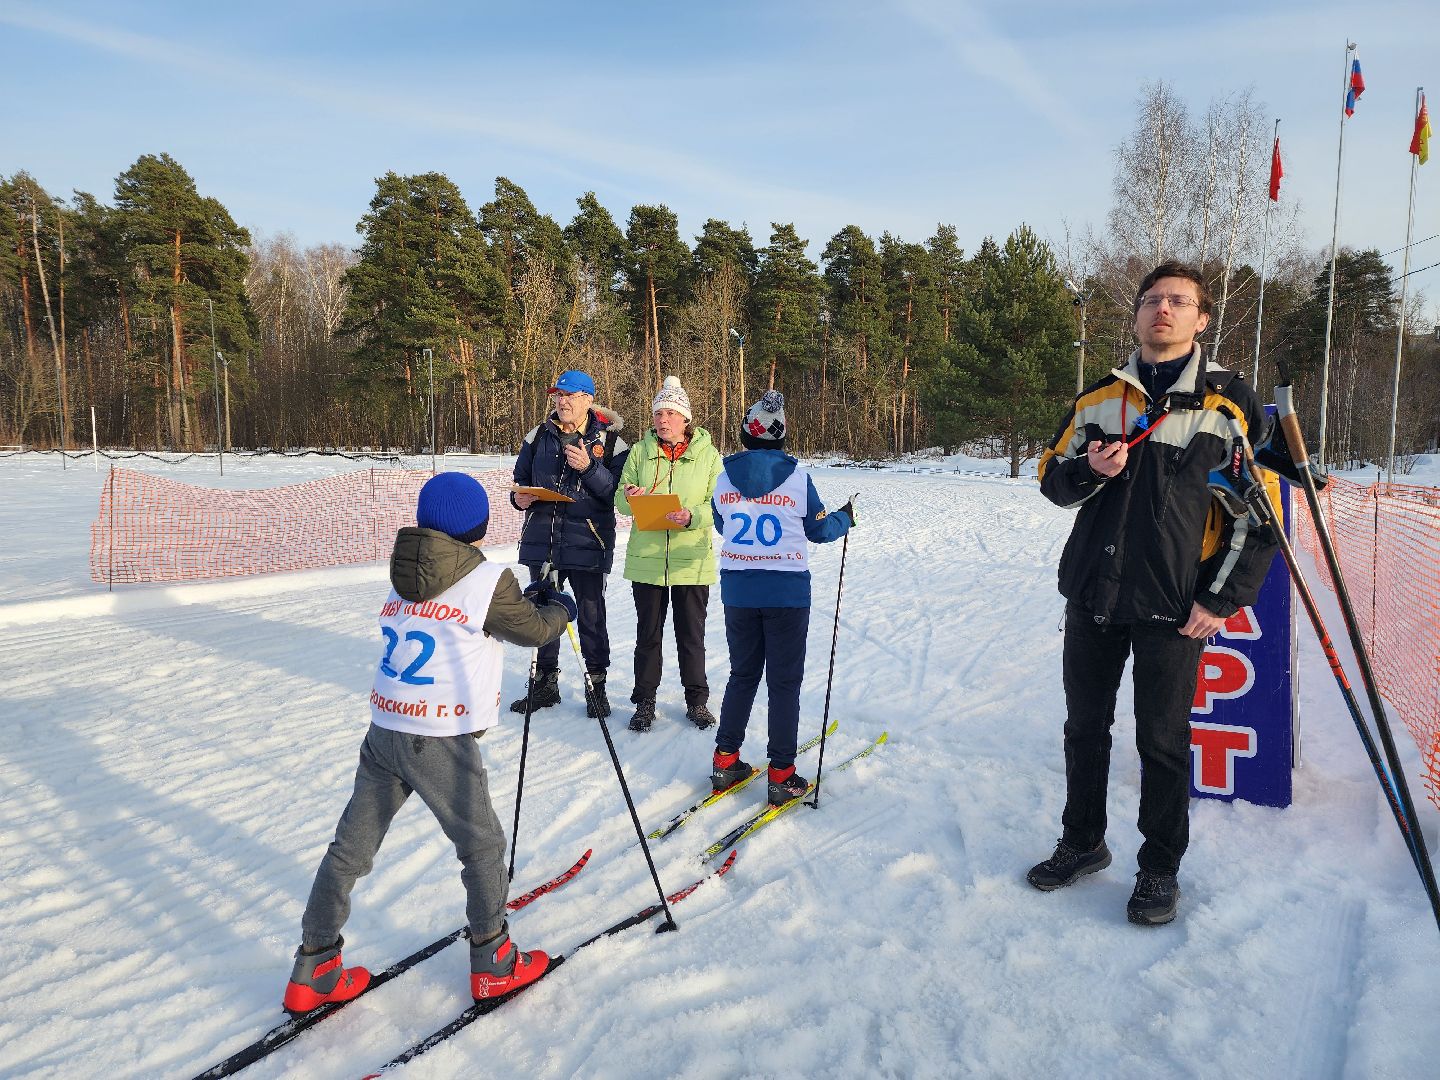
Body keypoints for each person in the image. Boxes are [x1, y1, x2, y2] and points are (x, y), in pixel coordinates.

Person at [1029, 261, 1279, 926]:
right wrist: (1089, 470)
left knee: (1162, 742)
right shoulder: (1099, 400)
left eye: (1178, 301)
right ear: (1137, 315)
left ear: (1201, 319)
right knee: (1085, 729)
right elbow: (1052, 479)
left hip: (1173, 604)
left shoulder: (1225, 407)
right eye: (1151, 300)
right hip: (1093, 593)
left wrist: (1219, 600)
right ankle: (1082, 842)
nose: (1162, 309)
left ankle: (1159, 867)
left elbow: (1259, 522)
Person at [283, 471, 577, 1013]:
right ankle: (494, 962)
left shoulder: (408, 571)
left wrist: (527, 603)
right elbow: (533, 631)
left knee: (349, 850)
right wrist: (561, 610)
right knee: (482, 845)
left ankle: (314, 965)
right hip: (437, 735)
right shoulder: (486, 578)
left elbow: (475, 616)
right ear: (477, 525)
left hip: (386, 727)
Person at [708, 390, 854, 806]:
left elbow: (723, 525)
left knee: (742, 675)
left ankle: (725, 761)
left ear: (745, 435)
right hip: (786, 593)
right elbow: (819, 530)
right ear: (781, 438)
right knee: (784, 682)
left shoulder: (723, 479)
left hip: (739, 590)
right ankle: (782, 774)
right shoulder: (797, 480)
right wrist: (845, 518)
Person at [509, 369, 629, 718]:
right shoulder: (537, 436)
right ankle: (545, 683)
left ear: (588, 400)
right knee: (543, 612)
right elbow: (519, 481)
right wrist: (519, 499)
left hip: (588, 541)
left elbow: (617, 495)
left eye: (569, 396)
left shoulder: (611, 442)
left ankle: (596, 686)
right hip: (542, 539)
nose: (562, 401)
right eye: (558, 395)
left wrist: (590, 468)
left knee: (591, 615)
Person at [615, 376, 723, 732]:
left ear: (685, 418)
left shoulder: (709, 456)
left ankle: (697, 702)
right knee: (648, 637)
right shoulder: (639, 452)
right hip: (647, 561)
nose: (663, 420)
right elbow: (620, 501)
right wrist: (629, 496)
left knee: (691, 637)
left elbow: (719, 505)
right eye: (658, 413)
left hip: (691, 560)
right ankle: (644, 702)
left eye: (670, 413)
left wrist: (691, 516)